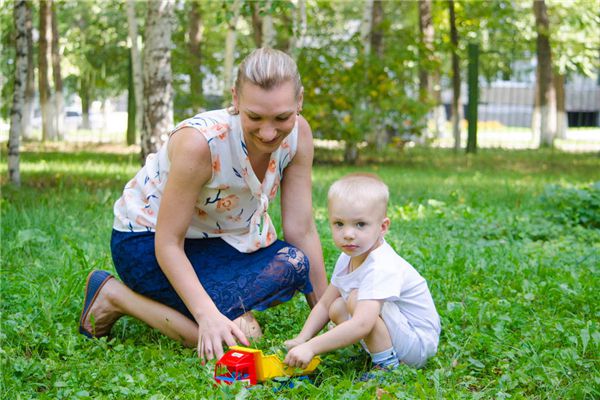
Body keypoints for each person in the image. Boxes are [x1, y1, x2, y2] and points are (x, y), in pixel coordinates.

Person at [78, 47, 328, 363]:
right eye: (255, 117)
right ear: (235, 98)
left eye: (282, 117)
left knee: (294, 263)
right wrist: (207, 315)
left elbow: (301, 230)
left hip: (223, 241)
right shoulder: (201, 143)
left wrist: (329, 319)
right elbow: (167, 243)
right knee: (239, 337)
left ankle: (216, 304)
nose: (268, 132)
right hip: (147, 242)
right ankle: (115, 296)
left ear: (299, 101)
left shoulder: (299, 135)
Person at [283, 173, 440, 375]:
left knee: (357, 298)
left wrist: (312, 347)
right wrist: (302, 339)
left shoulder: (381, 265)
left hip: (417, 344)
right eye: (339, 223)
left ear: (383, 227)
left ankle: (386, 367)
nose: (348, 233)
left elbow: (362, 323)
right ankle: (378, 349)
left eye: (360, 224)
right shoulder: (348, 256)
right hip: (399, 331)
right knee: (337, 306)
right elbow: (323, 303)